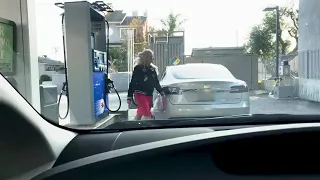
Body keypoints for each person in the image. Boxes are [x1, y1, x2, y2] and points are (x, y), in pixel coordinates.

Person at [127, 49, 165, 120]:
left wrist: (161, 91)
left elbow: (156, 82)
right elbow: (133, 82)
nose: (152, 59)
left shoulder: (152, 69)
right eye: (150, 57)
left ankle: (134, 125)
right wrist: (129, 96)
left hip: (149, 94)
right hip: (140, 93)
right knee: (147, 112)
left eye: (152, 57)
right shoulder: (138, 68)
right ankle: (150, 127)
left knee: (141, 112)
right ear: (146, 58)